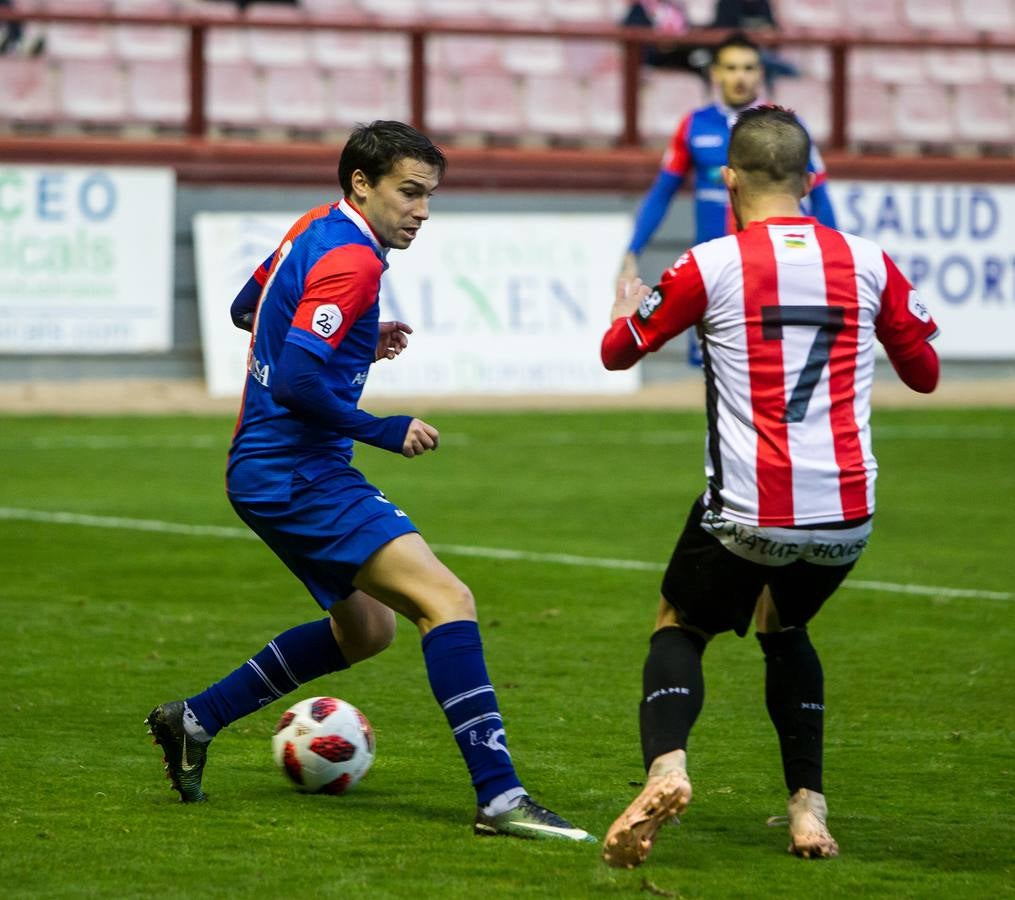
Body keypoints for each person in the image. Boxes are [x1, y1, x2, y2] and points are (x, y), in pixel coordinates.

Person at [145, 120, 594, 844]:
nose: (421, 211)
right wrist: (381, 426)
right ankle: (501, 798)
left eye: (429, 196)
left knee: (366, 630)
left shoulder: (314, 227)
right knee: (446, 600)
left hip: (268, 468)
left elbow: (243, 309)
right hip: (297, 470)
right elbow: (294, 377)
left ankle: (193, 719)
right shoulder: (354, 260)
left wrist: (356, 335)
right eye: (409, 193)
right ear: (362, 182)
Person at [598, 105, 940, 868]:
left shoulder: (708, 262)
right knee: (783, 628)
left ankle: (667, 767)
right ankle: (807, 813)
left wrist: (626, 306)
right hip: (847, 518)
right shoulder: (868, 260)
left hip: (748, 513)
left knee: (679, 623)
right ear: (811, 180)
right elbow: (925, 373)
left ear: (727, 178)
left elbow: (616, 354)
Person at [618, 33, 834, 293]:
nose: (740, 77)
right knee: (701, 334)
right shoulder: (694, 124)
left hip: (773, 268)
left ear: (761, 73)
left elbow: (820, 195)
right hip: (711, 268)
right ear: (715, 73)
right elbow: (662, 193)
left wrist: (833, 259)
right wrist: (633, 250)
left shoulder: (787, 126)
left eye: (748, 68)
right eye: (731, 68)